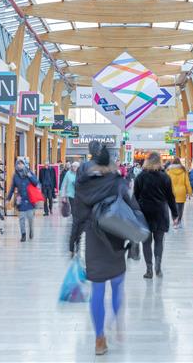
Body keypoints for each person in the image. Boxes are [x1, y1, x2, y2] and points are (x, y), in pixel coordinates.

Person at [73, 144, 139, 355]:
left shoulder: (82, 186)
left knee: (97, 290)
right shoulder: (118, 183)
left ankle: (99, 338)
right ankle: (116, 321)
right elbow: (131, 208)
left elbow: (78, 216)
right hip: (116, 237)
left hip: (94, 238)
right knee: (118, 285)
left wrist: (74, 240)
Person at [134, 152, 178, 279]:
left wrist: (133, 214)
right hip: (160, 213)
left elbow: (135, 197)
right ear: (159, 162)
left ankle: (149, 269)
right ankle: (158, 266)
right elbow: (170, 197)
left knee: (146, 242)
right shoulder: (165, 177)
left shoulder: (141, 177)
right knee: (159, 241)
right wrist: (175, 214)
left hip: (144, 214)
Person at [6, 157, 39, 242]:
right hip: (20, 200)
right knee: (21, 219)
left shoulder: (29, 172)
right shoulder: (15, 175)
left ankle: (31, 231)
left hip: (30, 200)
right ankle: (23, 234)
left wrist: (29, 176)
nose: (20, 165)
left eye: (21, 163)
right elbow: (12, 188)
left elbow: (36, 183)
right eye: (18, 163)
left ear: (24, 164)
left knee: (30, 219)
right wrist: (8, 199)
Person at [60, 161, 81, 255]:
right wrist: (63, 196)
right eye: (73, 166)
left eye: (76, 167)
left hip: (79, 196)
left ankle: (77, 243)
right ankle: (75, 218)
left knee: (77, 214)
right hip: (71, 196)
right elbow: (64, 185)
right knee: (75, 213)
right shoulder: (68, 174)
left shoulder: (81, 174)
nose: (74, 168)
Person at [166, 157, 192, 228]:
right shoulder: (183, 171)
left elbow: (166, 182)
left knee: (173, 207)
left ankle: (175, 221)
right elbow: (187, 182)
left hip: (172, 192)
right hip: (181, 192)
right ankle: (179, 221)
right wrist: (190, 192)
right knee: (180, 208)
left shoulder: (169, 171)